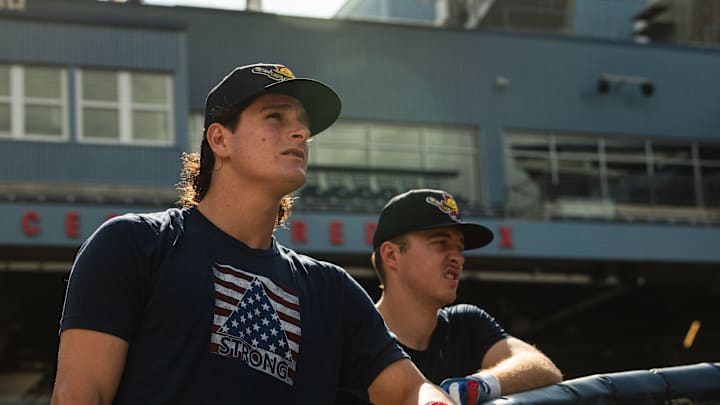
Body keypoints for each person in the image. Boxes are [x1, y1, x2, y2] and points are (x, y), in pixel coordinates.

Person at [50, 64, 457, 405]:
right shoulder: (133, 245)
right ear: (220, 139)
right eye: (276, 117)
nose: (300, 134)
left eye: (303, 126)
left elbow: (410, 389)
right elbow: (81, 394)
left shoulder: (332, 291)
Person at [337, 189, 562, 405]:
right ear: (391, 255)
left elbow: (543, 367)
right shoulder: (355, 337)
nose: (458, 258)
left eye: (460, 248)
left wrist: (479, 385)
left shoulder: (466, 323)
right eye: (441, 243)